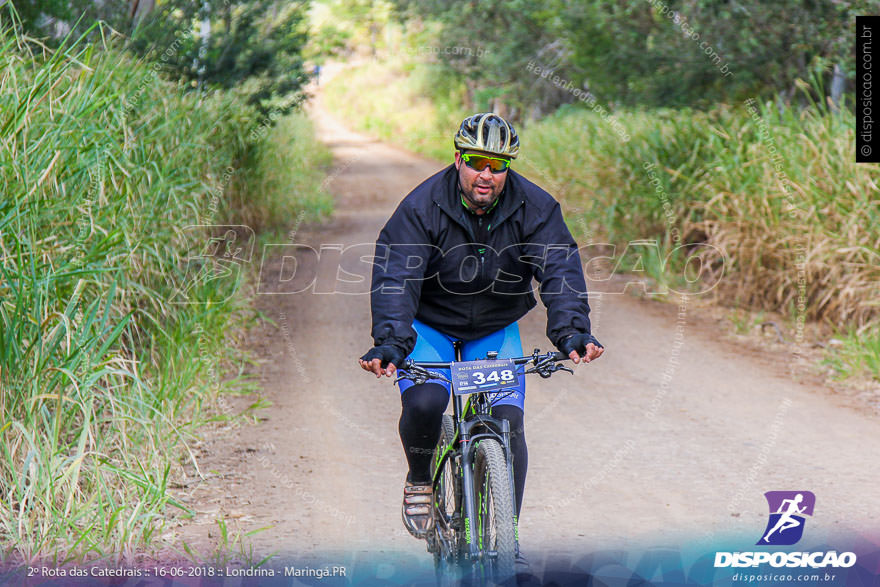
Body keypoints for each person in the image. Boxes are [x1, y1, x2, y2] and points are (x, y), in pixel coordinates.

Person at [358, 113, 604, 566]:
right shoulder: (420, 207)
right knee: (427, 404)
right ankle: (419, 478)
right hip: (430, 325)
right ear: (458, 160)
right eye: (476, 162)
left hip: (494, 326)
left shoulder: (536, 207)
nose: (486, 174)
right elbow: (396, 277)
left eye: (498, 165)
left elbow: (559, 270)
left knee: (508, 426)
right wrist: (392, 342)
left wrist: (571, 331)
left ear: (509, 167)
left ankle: (505, 538)